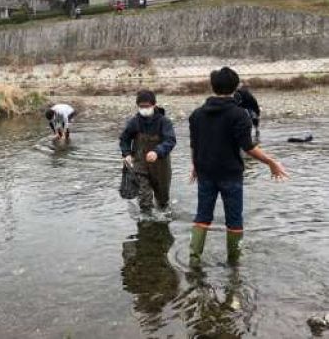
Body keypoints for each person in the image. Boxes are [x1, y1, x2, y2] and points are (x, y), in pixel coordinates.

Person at [189, 67, 288, 267]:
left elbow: (195, 144)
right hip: (230, 175)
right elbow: (248, 147)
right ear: (235, 87)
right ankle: (234, 265)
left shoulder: (196, 114)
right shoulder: (239, 114)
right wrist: (271, 162)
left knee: (202, 216)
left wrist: (195, 166)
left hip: (206, 173)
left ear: (212, 86)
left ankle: (194, 260)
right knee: (234, 219)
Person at [119, 90, 176, 213]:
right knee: (144, 200)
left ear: (154, 105)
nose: (144, 109)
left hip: (161, 166)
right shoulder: (134, 122)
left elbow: (170, 140)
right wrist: (127, 153)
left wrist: (157, 152)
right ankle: (146, 223)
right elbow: (124, 139)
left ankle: (161, 221)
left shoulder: (164, 122)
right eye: (141, 107)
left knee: (162, 201)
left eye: (147, 106)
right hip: (140, 164)